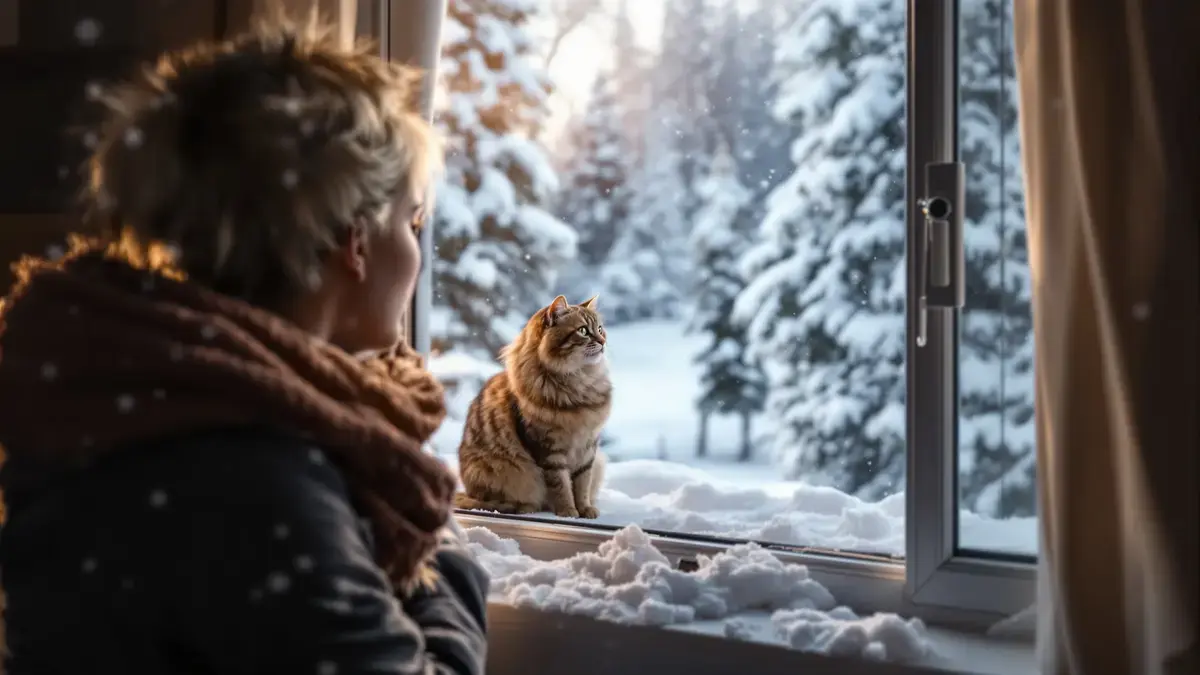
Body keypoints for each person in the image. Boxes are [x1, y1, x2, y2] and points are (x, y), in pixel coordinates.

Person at [0, 13, 488, 675]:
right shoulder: (252, 477)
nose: (416, 253)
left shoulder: (128, 397)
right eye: (413, 220)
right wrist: (442, 549)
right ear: (358, 242)